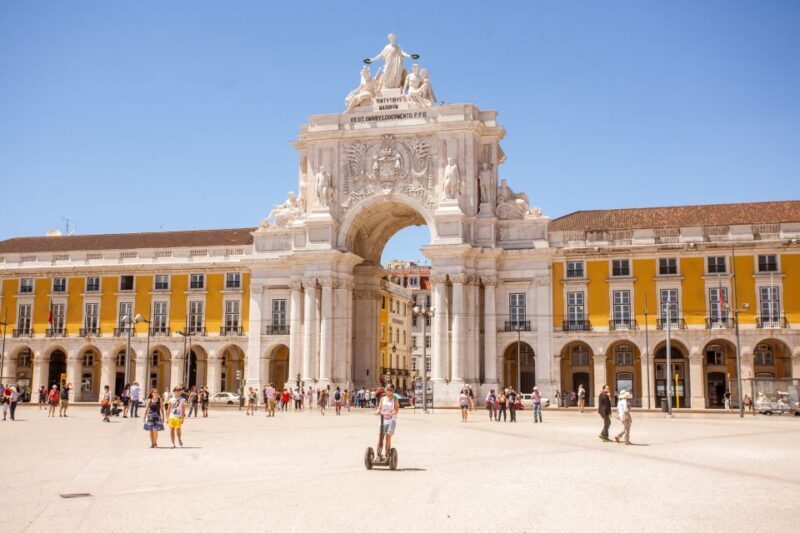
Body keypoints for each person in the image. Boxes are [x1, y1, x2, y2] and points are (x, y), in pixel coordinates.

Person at [376, 384, 399, 459]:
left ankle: (387, 455)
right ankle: (378, 455)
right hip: (383, 420)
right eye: (388, 389)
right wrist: (378, 411)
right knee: (380, 437)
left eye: (391, 390)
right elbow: (379, 408)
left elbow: (396, 410)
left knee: (388, 437)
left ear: (393, 391)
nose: (389, 391)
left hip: (391, 421)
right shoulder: (382, 399)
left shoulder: (395, 399)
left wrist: (391, 413)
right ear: (385, 390)